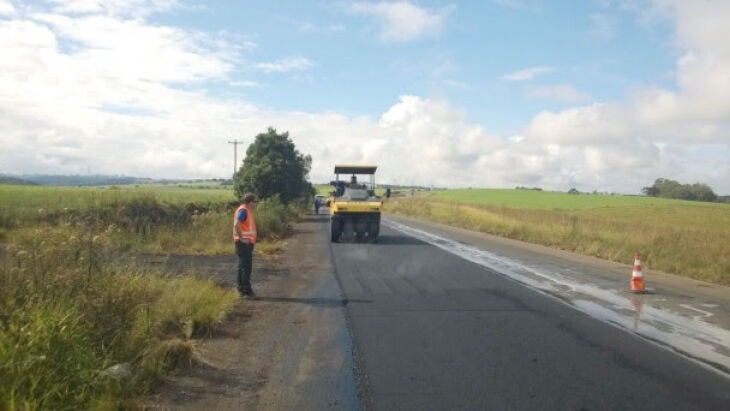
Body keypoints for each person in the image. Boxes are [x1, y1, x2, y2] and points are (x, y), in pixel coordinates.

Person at [233, 193, 257, 297]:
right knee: (246, 267)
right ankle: (246, 291)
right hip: (244, 243)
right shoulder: (243, 210)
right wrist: (242, 238)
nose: (257, 204)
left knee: (242, 266)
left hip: (245, 242)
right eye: (255, 202)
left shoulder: (245, 210)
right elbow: (237, 224)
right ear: (250, 202)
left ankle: (241, 289)